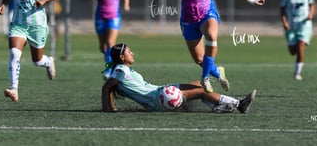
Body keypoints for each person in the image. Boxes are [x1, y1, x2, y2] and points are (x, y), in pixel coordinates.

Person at [160, 0, 265, 93]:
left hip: (207, 13)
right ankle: (217, 72)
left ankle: (205, 77)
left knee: (211, 34)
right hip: (188, 19)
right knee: (199, 60)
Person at [102, 43, 257, 113]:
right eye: (129, 51)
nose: (132, 53)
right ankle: (239, 104)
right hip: (158, 98)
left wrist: (110, 107)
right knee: (202, 90)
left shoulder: (122, 69)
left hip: (157, 94)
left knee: (198, 84)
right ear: (122, 57)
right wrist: (108, 108)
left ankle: (218, 107)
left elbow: (110, 87)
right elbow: (107, 87)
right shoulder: (121, 70)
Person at [0, 0, 60, 102]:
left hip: (37, 25)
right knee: (14, 53)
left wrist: (44, 1)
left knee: (36, 60)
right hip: (19, 23)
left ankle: (48, 61)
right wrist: (3, 4)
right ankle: (14, 89)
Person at [86, 0, 130, 80]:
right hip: (100, 16)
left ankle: (109, 70)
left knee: (110, 43)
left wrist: (126, 4)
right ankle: (111, 61)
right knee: (103, 47)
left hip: (114, 16)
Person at [278, 0, 315, 81]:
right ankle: (297, 58)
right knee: (292, 51)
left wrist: (311, 14)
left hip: (304, 24)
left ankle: (297, 72)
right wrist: (284, 22)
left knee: (301, 46)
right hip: (291, 25)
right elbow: (282, 9)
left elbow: (312, 4)